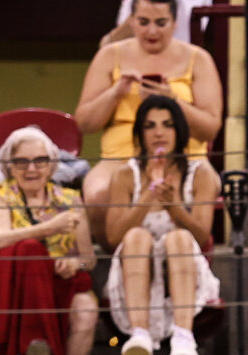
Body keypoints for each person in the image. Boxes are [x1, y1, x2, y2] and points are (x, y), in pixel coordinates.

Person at [75, 0, 222, 244]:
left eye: (161, 23)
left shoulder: (199, 59)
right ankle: (121, 256)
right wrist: (116, 93)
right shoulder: (110, 55)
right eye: (143, 22)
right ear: (131, 22)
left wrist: (173, 101)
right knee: (97, 194)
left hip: (184, 157)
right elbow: (85, 124)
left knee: (201, 186)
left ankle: (183, 255)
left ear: (175, 23)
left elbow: (210, 128)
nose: (151, 31)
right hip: (120, 157)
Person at [104, 95, 222, 355]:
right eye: (150, 126)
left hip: (186, 264)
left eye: (167, 125)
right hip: (134, 264)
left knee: (178, 238)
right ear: (140, 133)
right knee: (136, 236)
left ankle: (183, 336)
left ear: (179, 131)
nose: (159, 133)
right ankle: (140, 334)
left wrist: (173, 205)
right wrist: (149, 194)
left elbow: (201, 235)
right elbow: (113, 237)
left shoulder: (200, 174)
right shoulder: (124, 175)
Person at [0, 128, 98, 355]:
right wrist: (49, 228)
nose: (31, 169)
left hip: (55, 279)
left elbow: (89, 259)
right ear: (10, 166)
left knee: (86, 307)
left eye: (39, 161)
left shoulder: (70, 200)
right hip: (9, 282)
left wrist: (74, 263)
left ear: (51, 165)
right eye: (22, 162)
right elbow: (1, 239)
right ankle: (36, 343)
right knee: (29, 250)